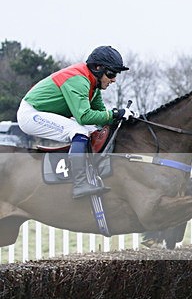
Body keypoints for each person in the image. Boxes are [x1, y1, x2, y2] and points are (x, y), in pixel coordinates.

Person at [17, 46, 136, 198]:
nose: (114, 80)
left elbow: (101, 117)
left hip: (43, 111)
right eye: (111, 73)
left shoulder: (94, 86)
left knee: (93, 130)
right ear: (98, 68)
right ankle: (80, 184)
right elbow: (85, 117)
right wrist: (115, 113)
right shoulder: (79, 80)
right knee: (79, 131)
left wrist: (121, 118)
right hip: (31, 114)